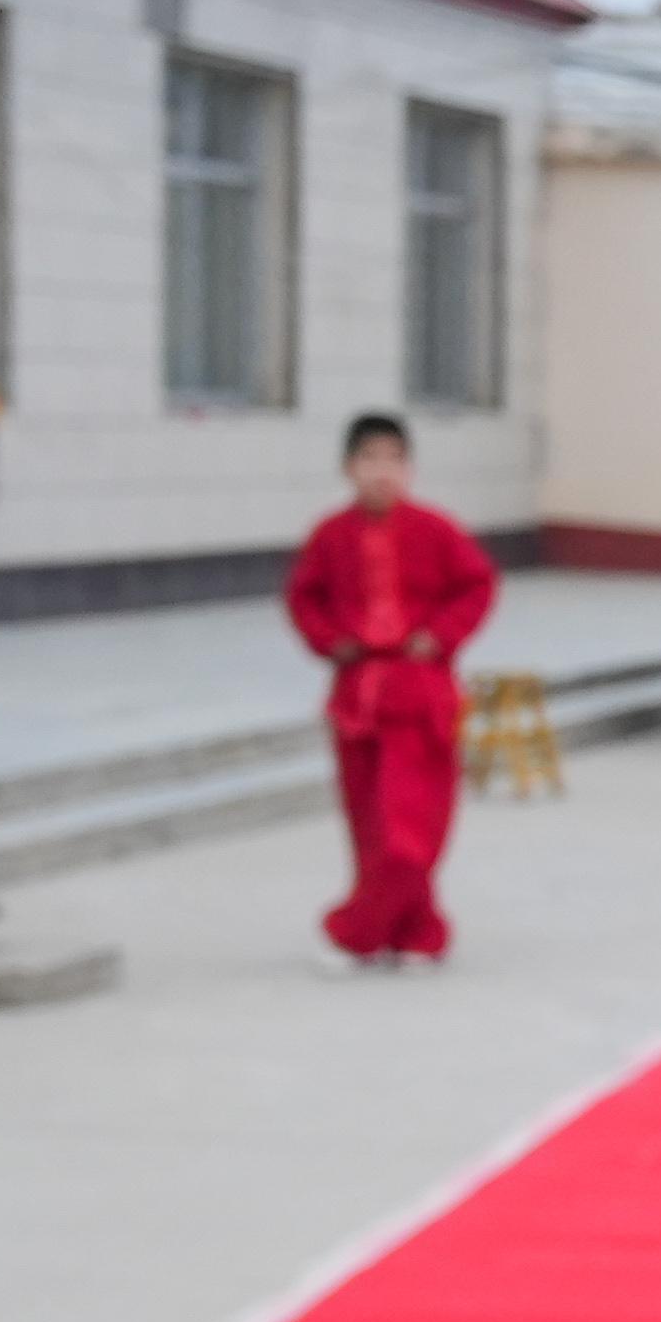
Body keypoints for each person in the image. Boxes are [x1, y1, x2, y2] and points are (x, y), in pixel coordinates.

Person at [286, 413, 499, 964]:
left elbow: (478, 584)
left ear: (409, 468)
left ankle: (353, 932)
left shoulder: (436, 529)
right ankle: (414, 933)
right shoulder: (330, 535)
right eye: (370, 459)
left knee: (409, 832)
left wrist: (441, 636)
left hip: (419, 692)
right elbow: (303, 598)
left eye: (394, 460)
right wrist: (331, 641)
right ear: (348, 468)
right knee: (368, 826)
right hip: (357, 694)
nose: (382, 472)